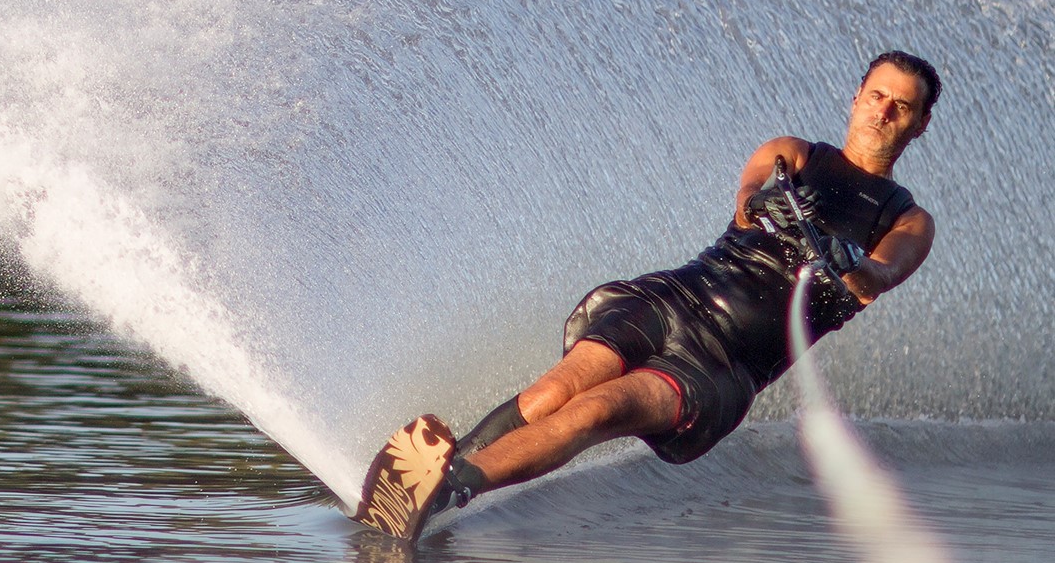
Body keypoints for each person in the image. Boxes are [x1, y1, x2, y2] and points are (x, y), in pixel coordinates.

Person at [379, 51, 939, 534]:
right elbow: (748, 199)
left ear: (920, 126)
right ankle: (428, 488)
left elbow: (878, 279)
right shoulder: (793, 154)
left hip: (724, 362)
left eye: (902, 106)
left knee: (596, 410)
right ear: (856, 98)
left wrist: (846, 264)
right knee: (552, 394)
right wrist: (773, 201)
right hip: (672, 300)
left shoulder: (907, 219)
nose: (883, 111)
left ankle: (452, 488)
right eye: (877, 95)